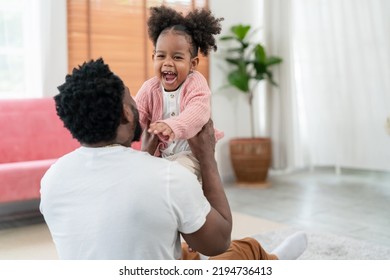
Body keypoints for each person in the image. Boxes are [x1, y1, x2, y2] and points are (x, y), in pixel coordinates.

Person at [40, 58, 307, 260]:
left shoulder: (51, 179)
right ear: (125, 114)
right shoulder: (167, 177)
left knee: (179, 248)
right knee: (240, 250)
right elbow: (218, 241)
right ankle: (273, 261)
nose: (137, 101)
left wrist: (144, 157)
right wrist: (207, 158)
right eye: (130, 97)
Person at [135, 6, 224, 181]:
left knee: (178, 178)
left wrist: (173, 125)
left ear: (193, 63)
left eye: (177, 57)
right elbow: (136, 113)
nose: (167, 63)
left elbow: (198, 112)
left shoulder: (195, 83)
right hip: (161, 156)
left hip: (190, 155)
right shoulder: (149, 88)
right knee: (147, 178)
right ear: (153, 57)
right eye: (161, 56)